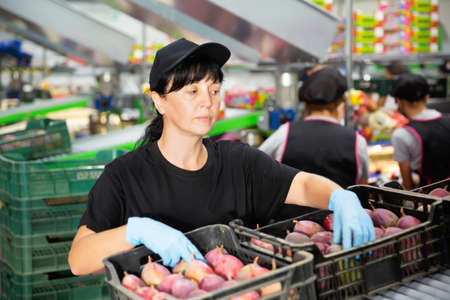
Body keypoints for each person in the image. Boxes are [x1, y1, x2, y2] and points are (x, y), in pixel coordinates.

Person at [68, 38, 375, 276]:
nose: (207, 102)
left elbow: (304, 185)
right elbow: (79, 260)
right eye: (192, 92)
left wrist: (340, 197)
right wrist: (136, 230)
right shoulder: (124, 176)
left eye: (214, 90)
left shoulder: (239, 163)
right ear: (159, 101)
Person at [259, 67, 370, 188]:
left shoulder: (284, 133)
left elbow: (253, 165)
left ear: (306, 106)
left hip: (289, 207)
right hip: (337, 207)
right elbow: (362, 187)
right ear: (341, 105)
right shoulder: (357, 141)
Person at [391, 73, 450, 190]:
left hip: (430, 200)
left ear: (399, 101)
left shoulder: (402, 134)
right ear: (427, 97)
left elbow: (408, 185)